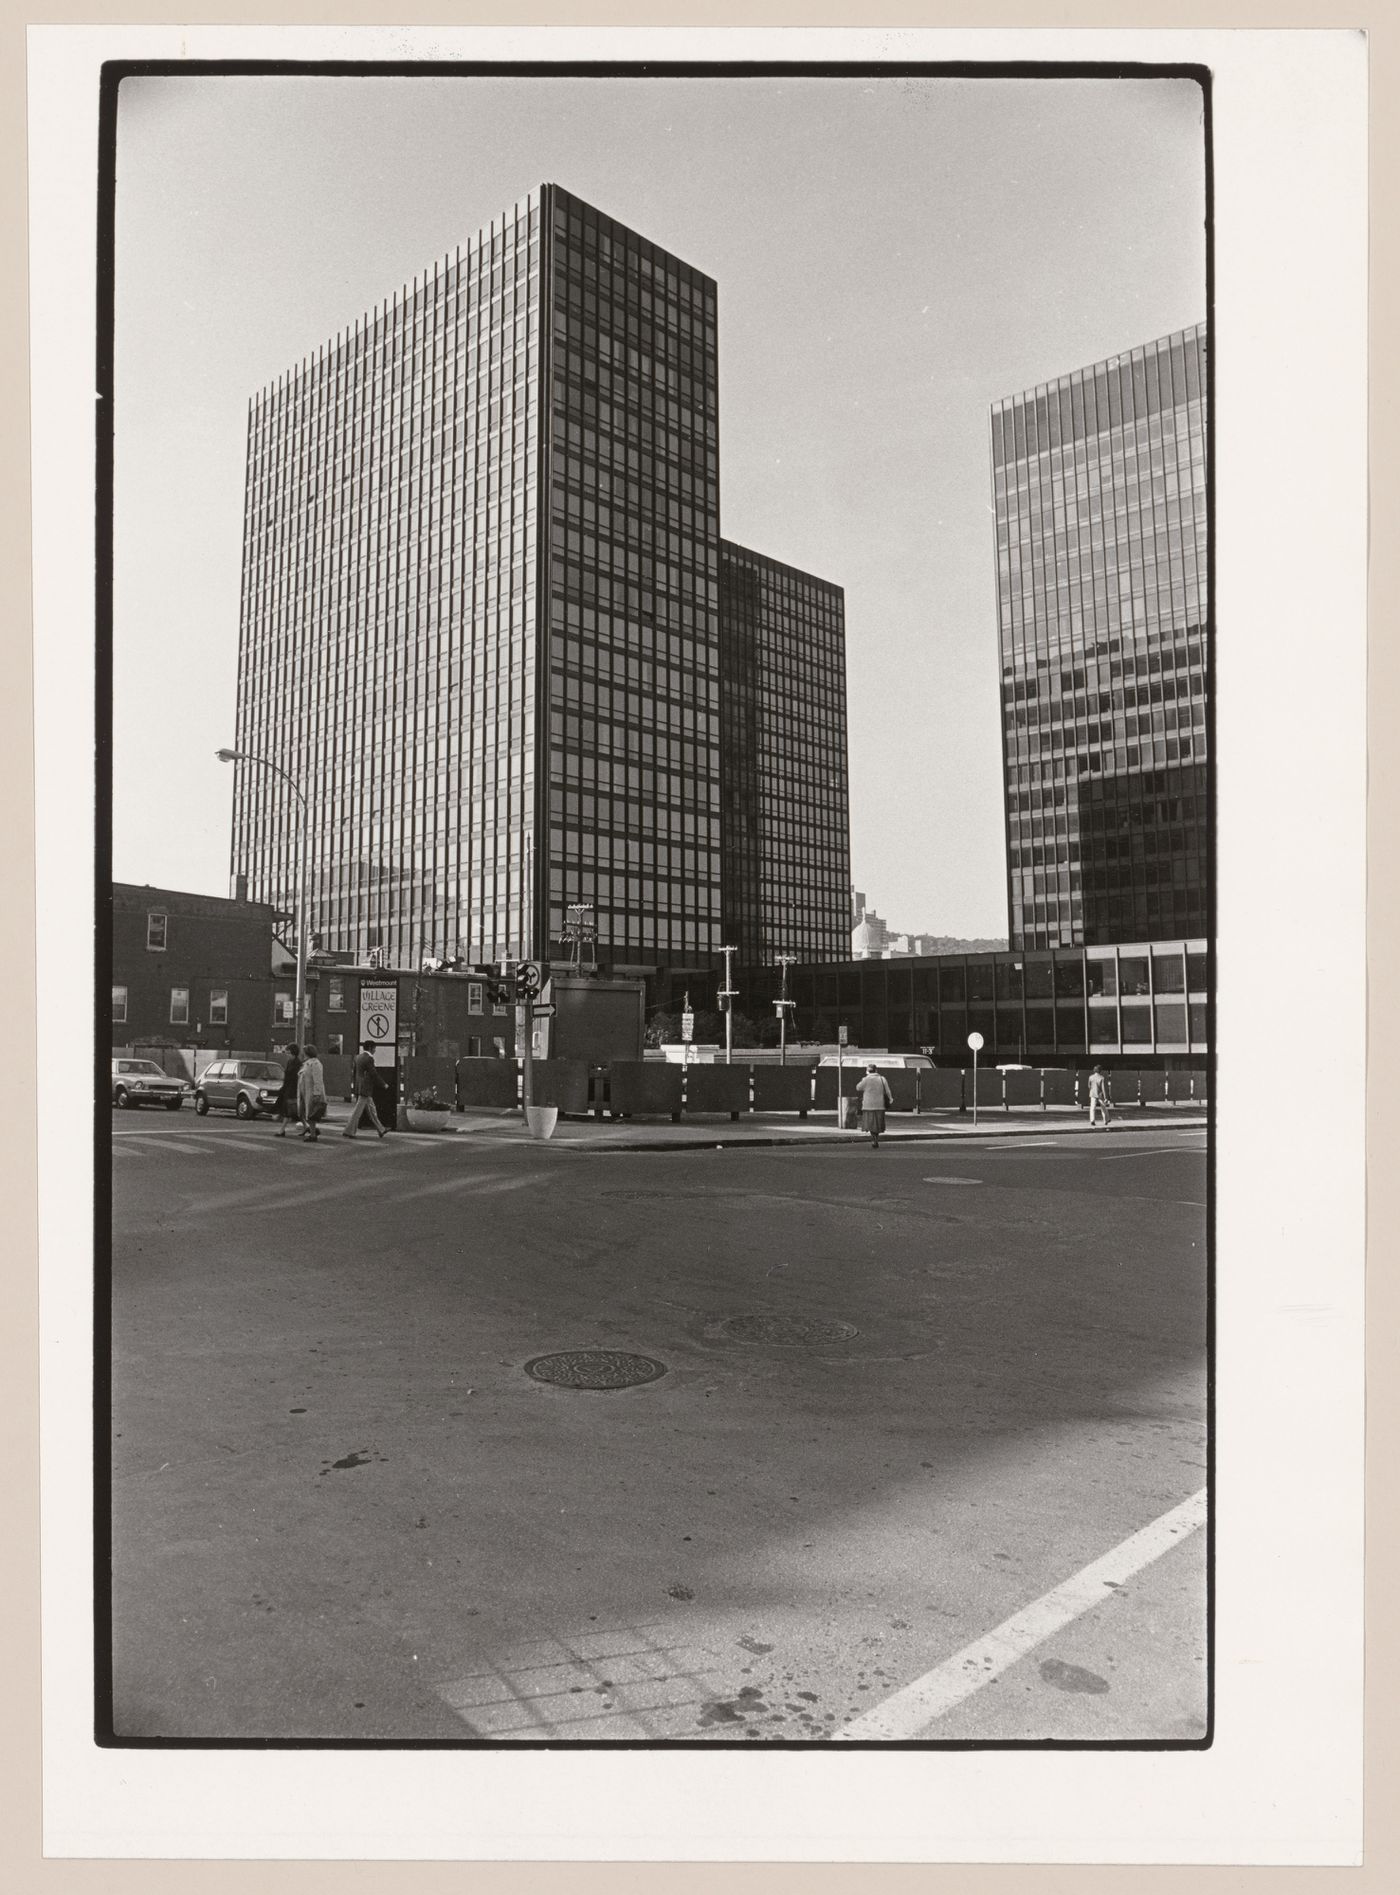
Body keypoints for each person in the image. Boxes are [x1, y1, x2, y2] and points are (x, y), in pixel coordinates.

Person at [342, 1040, 389, 1139]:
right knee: (357, 1111)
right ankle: (349, 1131)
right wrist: (383, 1084)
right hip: (366, 1088)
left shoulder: (358, 1057)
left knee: (372, 1110)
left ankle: (381, 1129)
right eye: (374, 1048)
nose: (375, 1050)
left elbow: (355, 1073)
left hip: (360, 1086)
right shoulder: (369, 1059)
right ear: (371, 1048)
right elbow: (373, 1074)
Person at [855, 1063, 895, 1150]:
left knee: (870, 1124)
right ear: (876, 1070)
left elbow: (858, 1087)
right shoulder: (882, 1079)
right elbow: (888, 1090)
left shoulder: (865, 1079)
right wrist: (890, 1098)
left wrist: (864, 1079)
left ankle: (873, 1139)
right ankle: (876, 1138)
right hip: (879, 1105)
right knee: (877, 1124)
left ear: (867, 1071)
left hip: (868, 1105)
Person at [296, 1043, 328, 1141]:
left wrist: (317, 1093)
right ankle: (312, 1130)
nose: (303, 1054)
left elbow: (318, 1080)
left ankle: (313, 1135)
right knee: (305, 1113)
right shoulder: (307, 1063)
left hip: (311, 1093)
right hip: (304, 1093)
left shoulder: (315, 1064)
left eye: (304, 1052)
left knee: (311, 1114)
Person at [272, 1044, 303, 1137]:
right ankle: (306, 1127)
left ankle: (282, 1130)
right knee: (292, 1111)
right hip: (287, 1088)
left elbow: (295, 1078)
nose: (287, 1055)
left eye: (289, 1053)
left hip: (293, 1090)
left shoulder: (297, 1063)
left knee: (289, 1111)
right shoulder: (290, 1062)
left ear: (293, 1053)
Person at [1087, 1064, 1112, 1129]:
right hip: (1100, 1094)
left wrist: (1092, 1090)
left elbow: (1089, 1086)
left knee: (1092, 1108)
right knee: (1103, 1107)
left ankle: (1092, 1120)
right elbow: (1103, 1088)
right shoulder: (1101, 1078)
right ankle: (1106, 1120)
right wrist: (1105, 1096)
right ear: (1100, 1070)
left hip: (1092, 1094)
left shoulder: (1090, 1077)